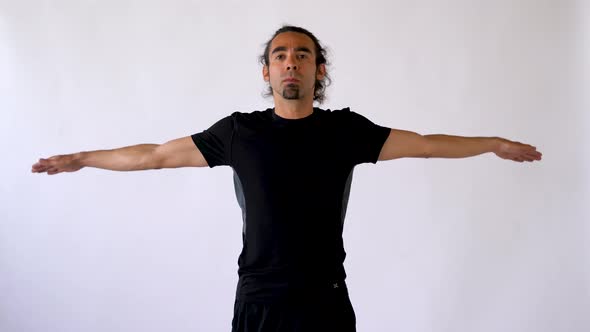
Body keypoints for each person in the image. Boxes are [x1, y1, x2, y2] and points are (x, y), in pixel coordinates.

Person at [31, 25, 542, 332]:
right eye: (280, 55)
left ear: (319, 70)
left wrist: (492, 144)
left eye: (302, 55)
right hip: (259, 299)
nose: (290, 63)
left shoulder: (346, 130)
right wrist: (81, 158)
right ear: (267, 73)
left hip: (326, 298)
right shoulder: (238, 133)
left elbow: (428, 145)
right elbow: (155, 156)